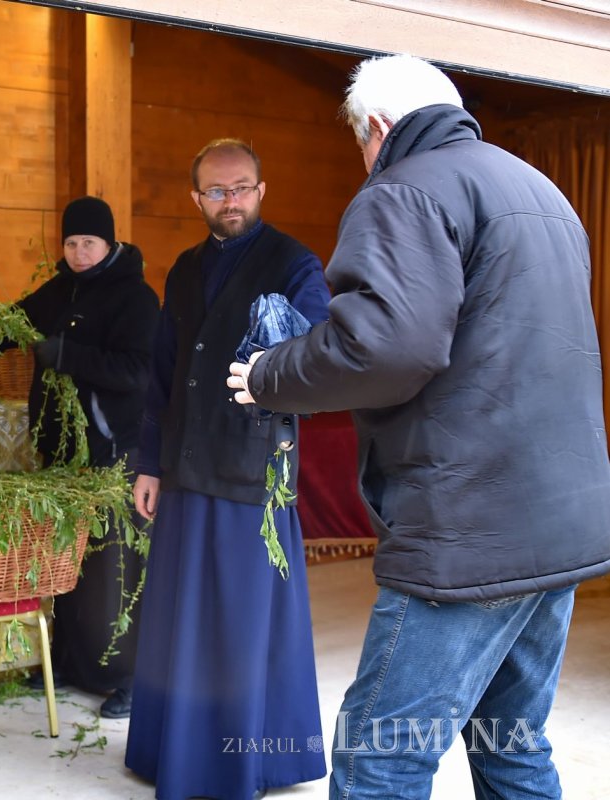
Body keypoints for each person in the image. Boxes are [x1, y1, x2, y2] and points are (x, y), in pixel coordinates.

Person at [228, 54, 610, 799]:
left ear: (376, 127)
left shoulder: (402, 188)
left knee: (380, 759)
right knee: (511, 745)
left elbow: (386, 347)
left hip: (469, 532)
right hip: (560, 521)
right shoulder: (540, 191)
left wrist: (268, 373)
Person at [124, 139, 331, 799]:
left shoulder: (293, 263)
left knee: (243, 621)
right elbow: (162, 376)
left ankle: (247, 762)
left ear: (261, 190)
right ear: (196, 199)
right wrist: (148, 464)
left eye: (240, 187)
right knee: (179, 619)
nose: (229, 200)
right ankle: (174, 754)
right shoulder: (183, 269)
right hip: (184, 466)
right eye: (215, 191)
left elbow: (320, 355)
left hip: (251, 471)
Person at [0, 195, 159, 718]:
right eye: (71, 243)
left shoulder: (136, 299)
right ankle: (69, 666)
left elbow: (140, 374)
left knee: (119, 564)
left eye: (89, 242)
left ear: (109, 243)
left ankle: (133, 679)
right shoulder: (60, 290)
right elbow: (11, 325)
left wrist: (70, 357)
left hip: (112, 452)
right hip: (65, 455)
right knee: (68, 561)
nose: (79, 252)